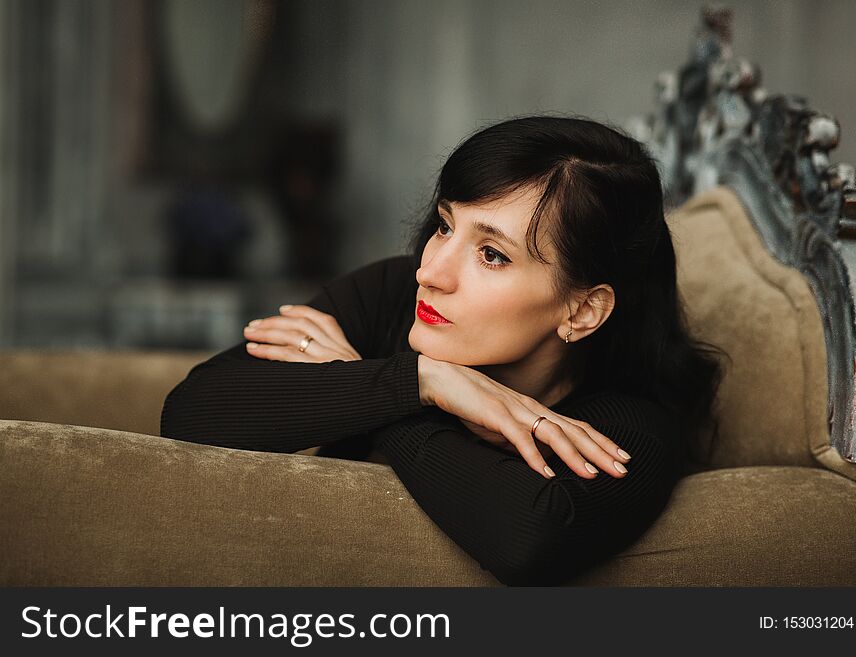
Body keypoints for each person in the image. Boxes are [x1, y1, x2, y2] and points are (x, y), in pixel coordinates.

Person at [160, 115, 724, 586]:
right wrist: (423, 380)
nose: (431, 272)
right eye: (445, 225)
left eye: (492, 255)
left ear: (582, 310)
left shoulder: (629, 426)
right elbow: (193, 411)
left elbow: (528, 537)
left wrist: (392, 391)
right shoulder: (393, 295)